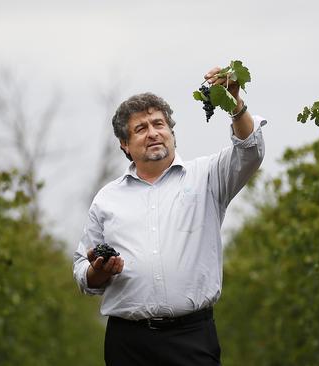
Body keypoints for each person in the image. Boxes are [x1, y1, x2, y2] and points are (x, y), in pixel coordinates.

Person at [72, 66, 265, 366]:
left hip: (191, 337)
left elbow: (250, 151)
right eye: (141, 128)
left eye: (158, 124)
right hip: (127, 343)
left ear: (171, 132)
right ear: (125, 144)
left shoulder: (208, 177)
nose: (152, 133)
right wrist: (100, 271)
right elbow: (84, 272)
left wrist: (234, 103)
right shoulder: (107, 199)